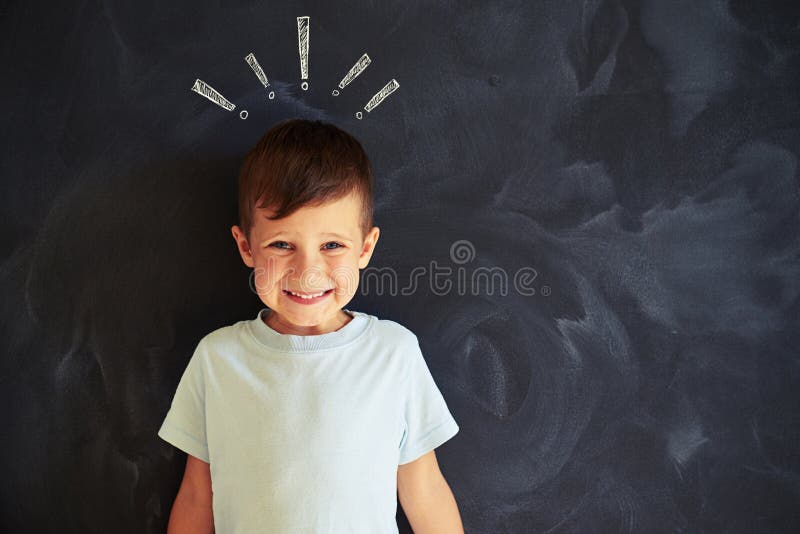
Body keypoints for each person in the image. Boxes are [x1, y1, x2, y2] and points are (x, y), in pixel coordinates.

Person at [157, 118, 463, 533]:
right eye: (282, 245)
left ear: (365, 248)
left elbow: (424, 491)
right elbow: (197, 495)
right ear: (246, 246)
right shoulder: (217, 359)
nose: (308, 271)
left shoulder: (393, 354)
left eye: (332, 245)